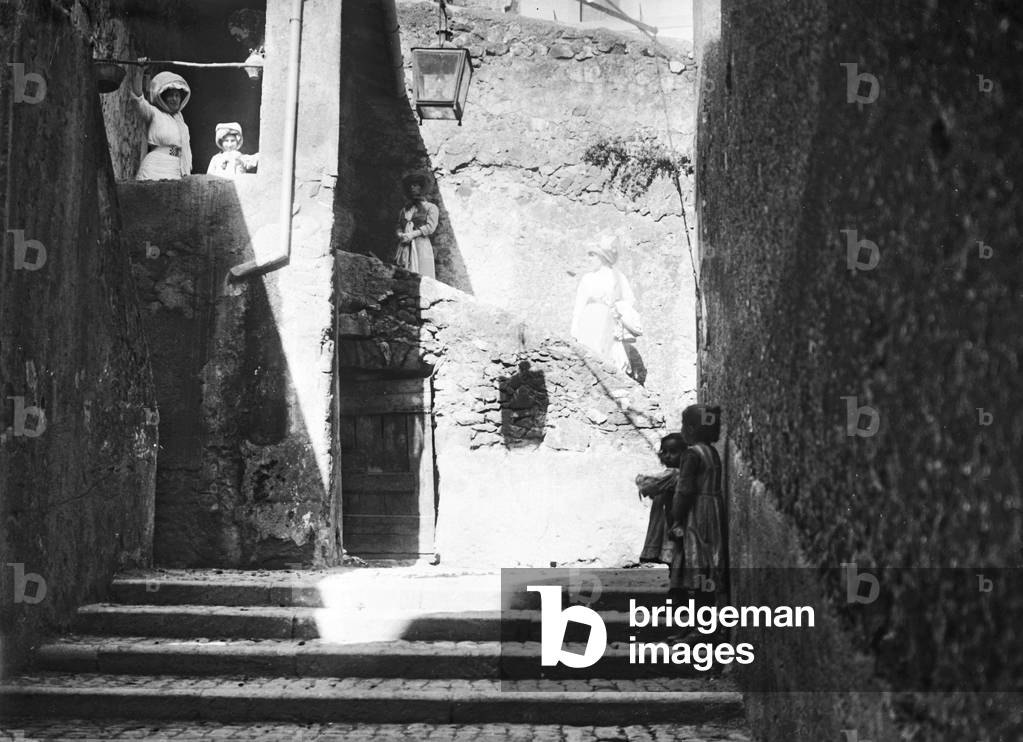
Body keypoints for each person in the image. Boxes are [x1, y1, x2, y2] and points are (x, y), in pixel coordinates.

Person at [668, 404, 725, 605]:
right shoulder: (711, 452)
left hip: (698, 514)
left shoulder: (691, 454)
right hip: (714, 511)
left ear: (690, 429)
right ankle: (702, 623)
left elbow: (684, 490)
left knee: (697, 565)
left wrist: (676, 519)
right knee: (708, 565)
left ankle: (702, 626)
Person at [570, 238, 643, 376]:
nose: (589, 259)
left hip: (610, 321)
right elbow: (579, 305)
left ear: (602, 257)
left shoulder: (618, 277)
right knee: (590, 355)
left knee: (610, 357)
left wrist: (617, 307)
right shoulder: (588, 278)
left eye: (593, 255)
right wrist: (575, 327)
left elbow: (629, 300)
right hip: (590, 320)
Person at [131, 69, 193, 180]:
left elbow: (179, 150)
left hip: (176, 169)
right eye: (170, 95)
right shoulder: (154, 113)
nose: (174, 99)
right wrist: (139, 71)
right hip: (155, 166)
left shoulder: (182, 124)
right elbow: (137, 98)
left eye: (177, 95)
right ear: (163, 98)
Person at [636, 433, 686, 566]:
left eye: (673, 452)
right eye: (664, 452)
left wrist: (640, 480)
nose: (668, 456)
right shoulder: (678, 473)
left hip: (670, 517)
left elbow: (651, 484)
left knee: (674, 551)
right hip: (667, 516)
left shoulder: (674, 473)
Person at [395, 172, 439, 279]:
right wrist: (400, 234)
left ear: (422, 187)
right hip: (405, 244)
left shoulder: (431, 207)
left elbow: (430, 227)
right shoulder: (405, 209)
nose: (412, 188)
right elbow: (399, 225)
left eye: (415, 185)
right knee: (404, 274)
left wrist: (413, 234)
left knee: (422, 274)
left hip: (421, 245)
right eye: (411, 185)